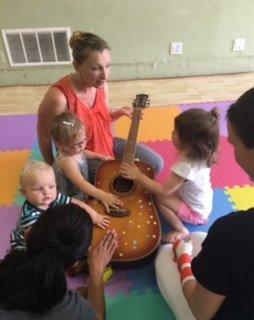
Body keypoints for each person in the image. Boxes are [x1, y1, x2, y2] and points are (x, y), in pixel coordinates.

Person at [155, 87, 254, 320]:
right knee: (199, 238)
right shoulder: (232, 234)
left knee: (166, 255)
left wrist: (183, 261)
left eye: (234, 144)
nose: (231, 151)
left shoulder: (234, 232)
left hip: (208, 308)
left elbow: (201, 311)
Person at [37, 31, 164, 183]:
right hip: (79, 153)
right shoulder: (58, 97)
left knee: (155, 164)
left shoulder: (102, 86)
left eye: (108, 66)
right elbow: (44, 134)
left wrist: (119, 113)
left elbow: (99, 117)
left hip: (106, 142)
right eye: (96, 68)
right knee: (116, 180)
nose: (105, 75)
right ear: (76, 66)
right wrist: (52, 169)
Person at [0, 203, 118, 319]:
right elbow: (97, 317)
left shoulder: (5, 269)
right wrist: (96, 270)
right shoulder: (72, 310)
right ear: (75, 263)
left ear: (28, 233)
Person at [120, 108, 220, 243]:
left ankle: (181, 229)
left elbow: (163, 190)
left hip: (195, 213)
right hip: (201, 203)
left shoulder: (185, 167)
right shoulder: (204, 152)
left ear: (188, 142)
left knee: (159, 198)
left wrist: (137, 175)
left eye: (175, 132)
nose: (172, 133)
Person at [11, 160, 109, 250]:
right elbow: (39, 241)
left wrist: (94, 215)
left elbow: (75, 202)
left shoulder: (52, 197)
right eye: (39, 189)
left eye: (51, 186)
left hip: (49, 228)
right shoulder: (29, 217)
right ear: (24, 193)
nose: (47, 192)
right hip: (25, 245)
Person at [50, 112, 122, 213]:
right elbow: (80, 183)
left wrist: (100, 156)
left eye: (84, 140)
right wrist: (102, 195)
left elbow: (82, 152)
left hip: (80, 191)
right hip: (70, 199)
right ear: (60, 145)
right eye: (78, 144)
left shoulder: (73, 150)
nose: (83, 145)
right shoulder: (67, 162)